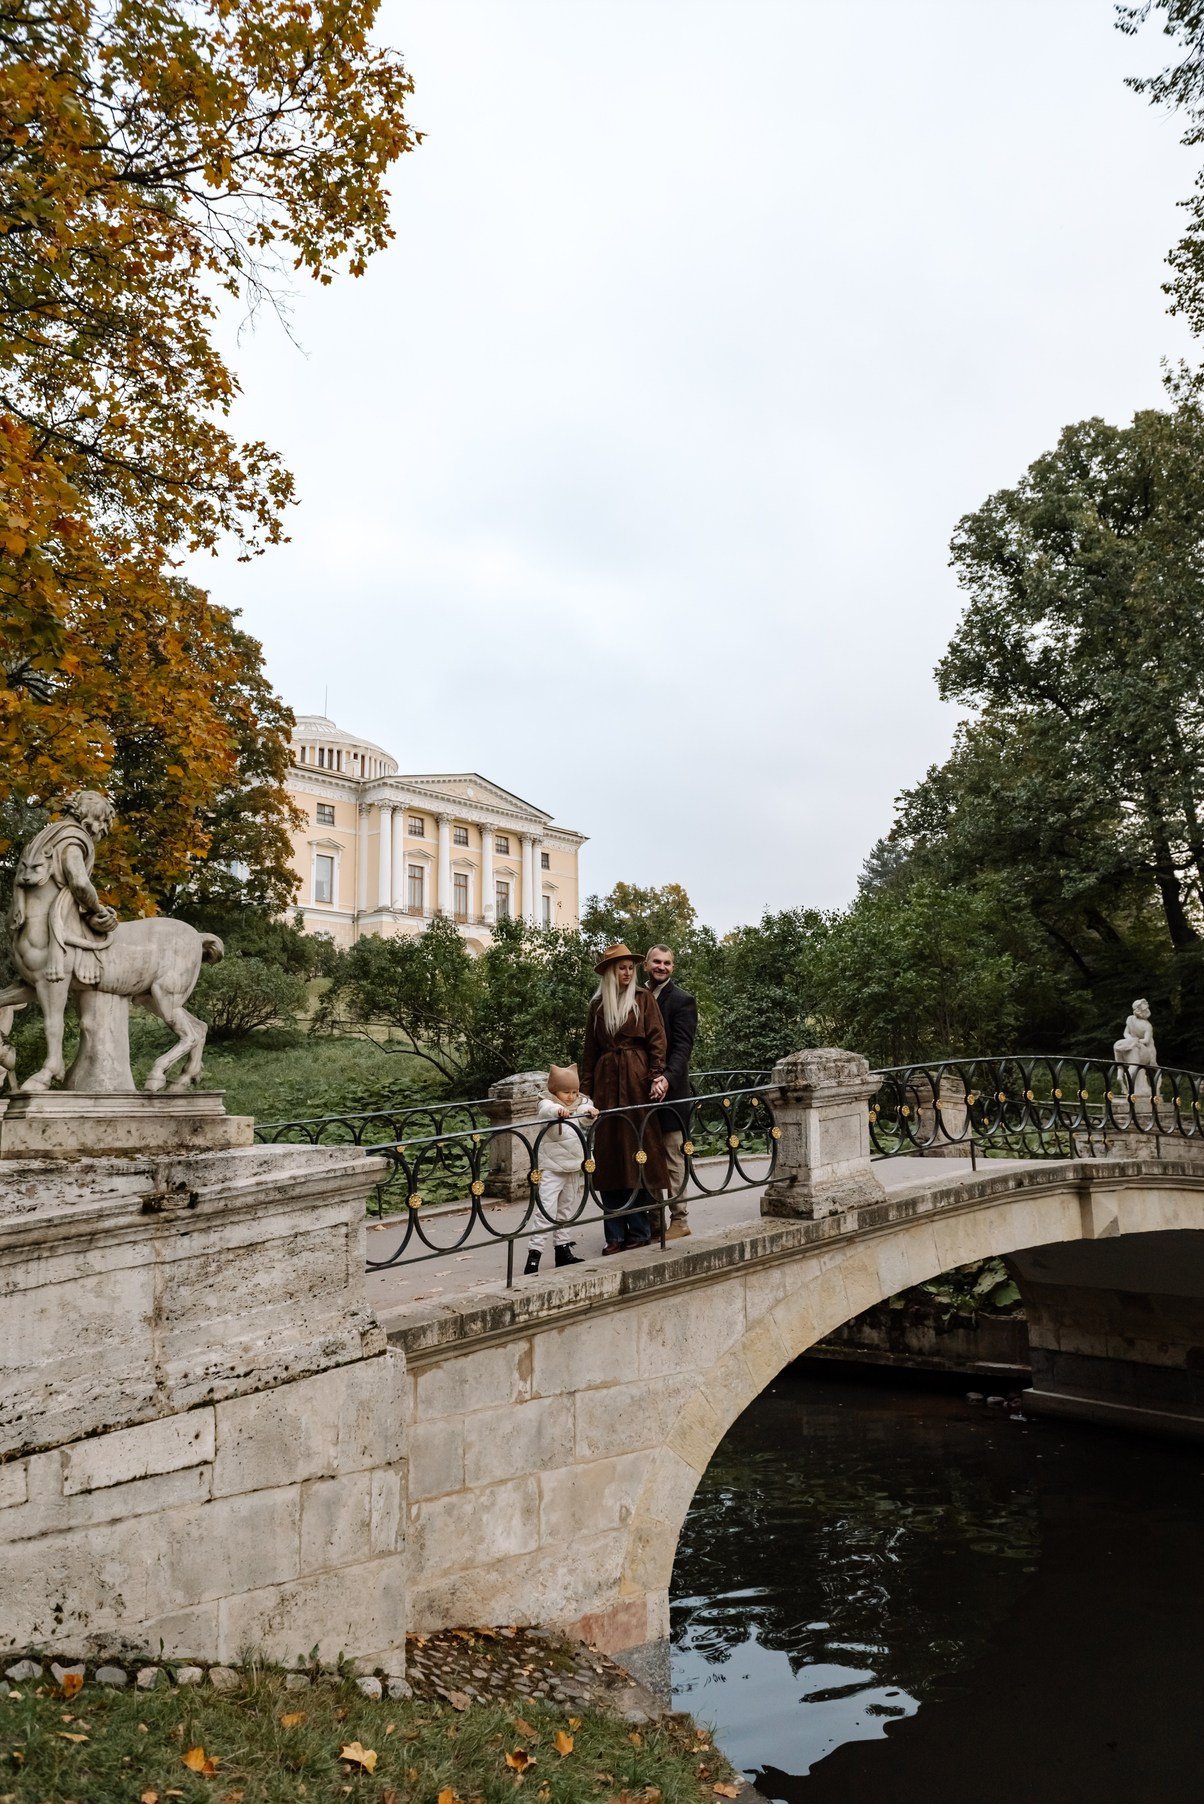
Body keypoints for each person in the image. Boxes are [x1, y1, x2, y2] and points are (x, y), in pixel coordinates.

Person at [580, 942, 669, 1252]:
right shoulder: (598, 1006)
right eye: (622, 968)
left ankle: (640, 1230)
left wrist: (657, 1074)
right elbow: (590, 1052)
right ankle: (614, 1235)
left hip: (636, 1081)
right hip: (606, 1084)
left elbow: (658, 1039)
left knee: (638, 1153)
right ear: (609, 972)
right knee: (609, 1158)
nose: (628, 972)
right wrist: (585, 1095)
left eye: (631, 967)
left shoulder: (643, 1000)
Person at [643, 944, 698, 1239]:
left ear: (672, 967)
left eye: (667, 963)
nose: (661, 967)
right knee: (648, 1157)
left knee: (673, 1158)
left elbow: (682, 1048)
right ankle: (652, 1223)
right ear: (647, 965)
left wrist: (666, 1079)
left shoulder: (682, 1000)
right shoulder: (637, 996)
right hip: (642, 1094)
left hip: (673, 1094)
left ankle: (679, 1220)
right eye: (656, 962)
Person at [524, 1063, 596, 1275]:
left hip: (573, 1166)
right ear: (555, 1091)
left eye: (574, 1092)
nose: (571, 1097)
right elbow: (547, 1111)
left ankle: (562, 1249)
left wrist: (590, 1112)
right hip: (552, 1167)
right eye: (566, 1092)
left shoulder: (580, 1102)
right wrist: (558, 1110)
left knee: (567, 1207)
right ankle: (534, 1254)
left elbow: (583, 1112)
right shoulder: (546, 1103)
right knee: (545, 1210)